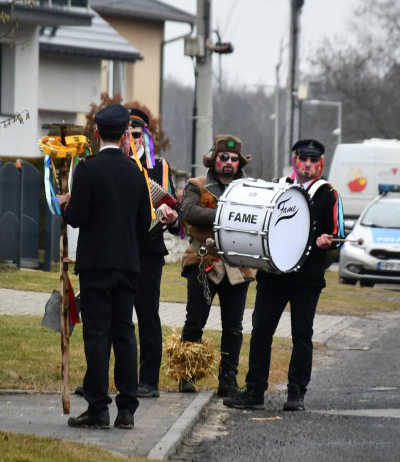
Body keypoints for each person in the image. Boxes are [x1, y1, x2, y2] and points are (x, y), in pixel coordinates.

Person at [224, 139, 344, 411]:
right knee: (261, 331)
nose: (308, 165)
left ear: (320, 164)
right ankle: (255, 390)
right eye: (303, 159)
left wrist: (329, 241)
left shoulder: (329, 193)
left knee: (302, 334)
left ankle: (296, 391)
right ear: (295, 160)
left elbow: (338, 233)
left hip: (307, 278)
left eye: (314, 160)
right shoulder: (279, 186)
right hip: (274, 275)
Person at [58, 104, 152, 429]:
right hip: (128, 265)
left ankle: (98, 408)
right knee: (125, 332)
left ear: (96, 133)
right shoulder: (136, 172)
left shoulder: (87, 169)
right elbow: (144, 224)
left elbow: (77, 216)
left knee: (97, 335)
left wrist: (65, 205)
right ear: (126, 134)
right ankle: (127, 409)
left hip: (96, 264)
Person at [177, 134, 255, 397]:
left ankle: (228, 379)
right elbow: (188, 212)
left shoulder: (250, 190)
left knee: (233, 327)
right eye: (224, 157)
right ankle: (186, 375)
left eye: (235, 159)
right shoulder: (196, 185)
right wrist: (228, 212)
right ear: (214, 159)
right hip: (203, 262)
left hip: (238, 265)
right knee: (195, 321)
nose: (230, 163)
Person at [127, 106, 181, 398]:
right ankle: (98, 377)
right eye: (126, 134)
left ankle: (148, 381)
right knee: (110, 317)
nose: (131, 140)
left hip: (148, 251)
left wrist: (173, 218)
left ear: (144, 135)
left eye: (136, 135)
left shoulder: (160, 167)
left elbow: (174, 210)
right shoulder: (110, 163)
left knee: (148, 315)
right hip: (118, 250)